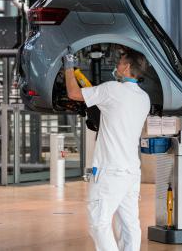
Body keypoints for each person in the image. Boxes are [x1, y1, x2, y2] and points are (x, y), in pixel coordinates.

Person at [63, 48, 151, 251]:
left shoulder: (112, 89)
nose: (116, 65)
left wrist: (69, 65)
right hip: (131, 171)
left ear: (127, 67)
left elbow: (73, 93)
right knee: (129, 224)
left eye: (120, 61)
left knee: (98, 223)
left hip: (110, 171)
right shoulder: (143, 98)